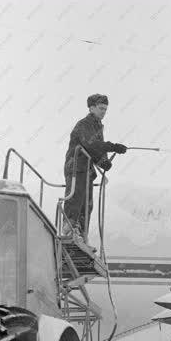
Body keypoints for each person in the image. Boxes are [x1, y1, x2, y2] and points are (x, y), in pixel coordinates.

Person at [63, 94, 127, 240]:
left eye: (105, 109)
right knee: (76, 198)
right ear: (91, 108)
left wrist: (102, 162)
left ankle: (81, 233)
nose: (103, 111)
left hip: (87, 170)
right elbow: (90, 144)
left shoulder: (97, 126)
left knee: (87, 203)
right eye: (100, 108)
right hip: (76, 167)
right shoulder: (85, 124)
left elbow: (95, 151)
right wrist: (113, 147)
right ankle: (68, 228)